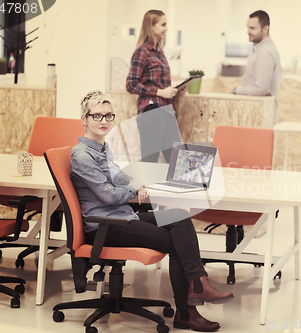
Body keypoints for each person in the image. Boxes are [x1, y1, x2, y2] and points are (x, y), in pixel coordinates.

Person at [70, 91, 233, 332]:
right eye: (96, 116)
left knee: (179, 217)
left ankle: (198, 283)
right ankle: (187, 311)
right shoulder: (82, 155)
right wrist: (134, 193)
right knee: (178, 242)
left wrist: (138, 185)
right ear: (84, 119)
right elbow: (108, 194)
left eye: (108, 116)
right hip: (105, 225)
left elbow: (119, 176)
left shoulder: (102, 150)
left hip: (122, 217)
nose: (103, 121)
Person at [126, 10, 184, 162]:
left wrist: (175, 89)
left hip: (166, 111)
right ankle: (144, 186)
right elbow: (131, 84)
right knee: (150, 162)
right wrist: (159, 92)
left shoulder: (159, 52)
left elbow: (159, 83)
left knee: (176, 163)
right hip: (151, 112)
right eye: (163, 24)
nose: (166, 28)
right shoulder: (142, 52)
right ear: (151, 27)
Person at [232, 10, 282, 123]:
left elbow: (261, 89)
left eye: (252, 28)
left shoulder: (265, 52)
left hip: (261, 115)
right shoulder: (258, 49)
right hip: (256, 114)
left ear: (265, 29)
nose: (248, 31)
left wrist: (236, 90)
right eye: (248, 27)